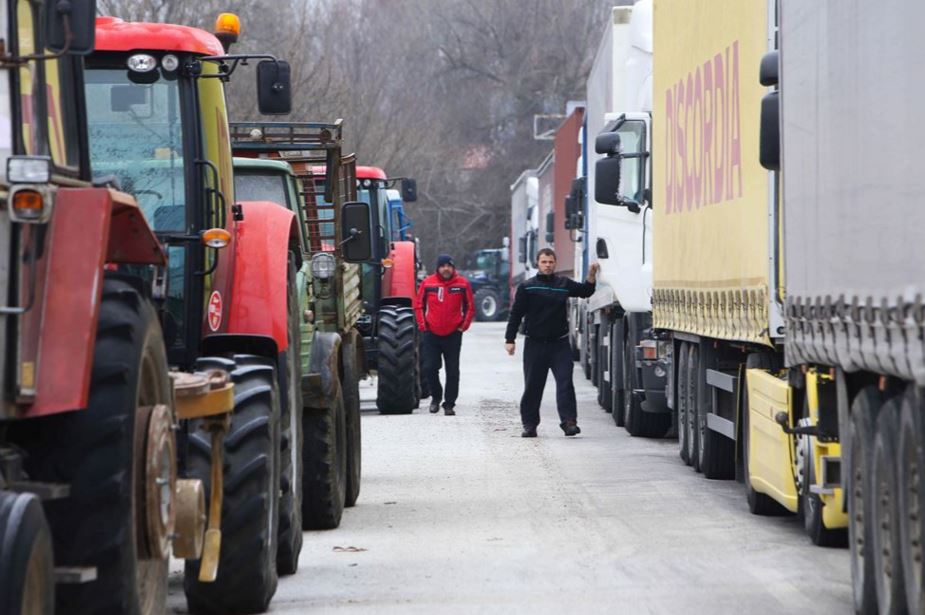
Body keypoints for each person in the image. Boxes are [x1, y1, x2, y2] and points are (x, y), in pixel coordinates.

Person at [505, 249, 599, 437]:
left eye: (550, 262)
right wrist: (510, 339)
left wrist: (591, 275)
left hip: (559, 345)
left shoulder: (563, 284)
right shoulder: (527, 287)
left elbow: (585, 291)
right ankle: (530, 425)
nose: (547, 265)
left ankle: (569, 422)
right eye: (543, 262)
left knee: (565, 383)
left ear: (555, 264)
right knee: (533, 386)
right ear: (537, 264)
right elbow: (516, 314)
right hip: (535, 344)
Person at [414, 254, 474, 416]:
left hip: (453, 334)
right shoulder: (428, 283)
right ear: (438, 268)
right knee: (430, 367)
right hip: (431, 333)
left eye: (449, 265)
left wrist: (463, 326)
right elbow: (418, 305)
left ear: (453, 268)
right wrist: (423, 325)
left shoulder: (462, 284)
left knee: (453, 371)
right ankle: (436, 398)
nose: (446, 269)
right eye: (442, 266)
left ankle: (449, 404)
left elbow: (470, 306)